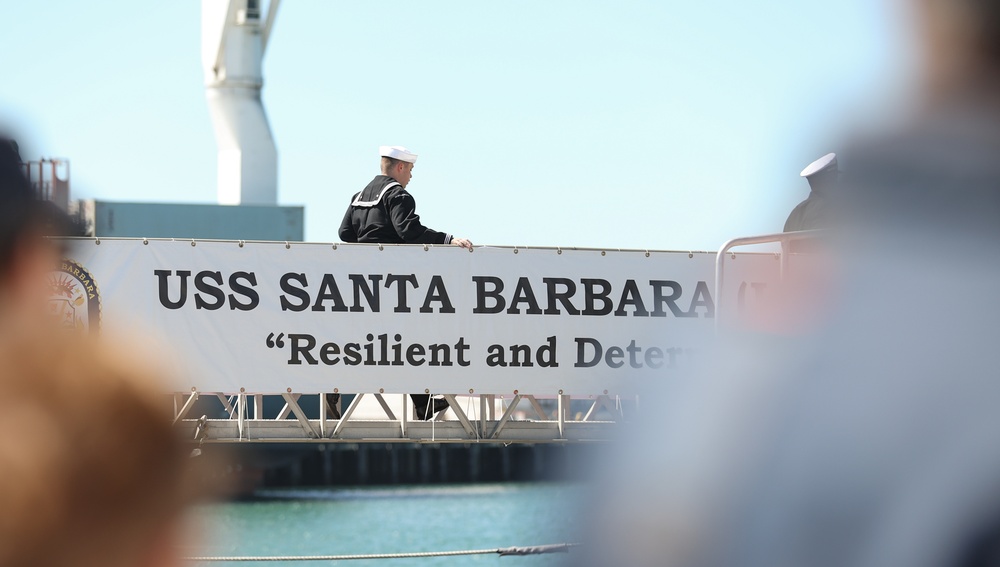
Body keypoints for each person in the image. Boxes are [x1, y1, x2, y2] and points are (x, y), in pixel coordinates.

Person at [338, 146, 473, 420]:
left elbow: (345, 233)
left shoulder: (359, 197)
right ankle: (422, 404)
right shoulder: (398, 195)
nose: (411, 175)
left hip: (362, 282)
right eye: (410, 169)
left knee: (363, 340)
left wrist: (369, 249)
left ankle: (333, 388)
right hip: (392, 283)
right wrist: (448, 240)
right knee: (409, 341)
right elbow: (408, 230)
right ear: (400, 167)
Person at [783, 152, 837, 252]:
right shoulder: (837, 209)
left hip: (795, 266)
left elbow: (786, 247)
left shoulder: (796, 212)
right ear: (831, 179)